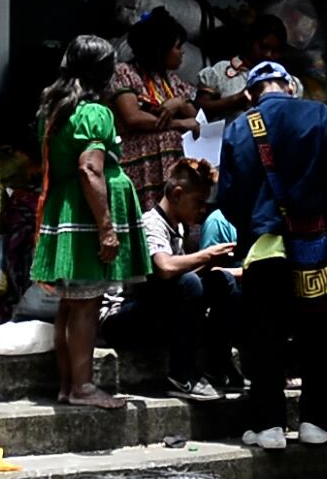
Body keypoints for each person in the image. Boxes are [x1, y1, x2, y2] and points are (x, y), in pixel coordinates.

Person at [218, 60, 327, 450]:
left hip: (264, 249)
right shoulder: (319, 114)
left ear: (250, 94)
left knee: (264, 336)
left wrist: (255, 225)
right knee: (321, 335)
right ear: (291, 86)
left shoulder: (237, 128)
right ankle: (319, 421)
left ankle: (268, 428)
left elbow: (227, 200)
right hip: (317, 247)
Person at [33, 35, 151, 410]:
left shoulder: (55, 110)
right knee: (85, 304)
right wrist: (107, 227)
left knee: (71, 304)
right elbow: (90, 168)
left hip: (67, 208)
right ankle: (82, 387)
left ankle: (69, 385)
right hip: (85, 216)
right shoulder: (94, 113)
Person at [98, 158, 240, 401]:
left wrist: (221, 267)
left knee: (221, 281)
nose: (202, 210)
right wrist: (208, 254)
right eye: (198, 202)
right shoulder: (151, 222)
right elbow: (164, 268)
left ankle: (217, 368)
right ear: (177, 194)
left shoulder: (180, 227)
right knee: (190, 283)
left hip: (155, 312)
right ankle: (182, 375)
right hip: (120, 318)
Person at [109, 8, 199, 197]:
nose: (182, 52)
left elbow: (196, 118)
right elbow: (133, 118)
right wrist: (178, 123)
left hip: (168, 174)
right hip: (140, 171)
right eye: (177, 47)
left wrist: (179, 104)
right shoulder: (124, 73)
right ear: (160, 50)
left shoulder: (171, 80)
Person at [195, 14, 301, 120]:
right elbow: (199, 106)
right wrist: (234, 101)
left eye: (275, 51)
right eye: (263, 47)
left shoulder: (286, 82)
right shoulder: (222, 71)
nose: (268, 54)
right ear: (250, 41)